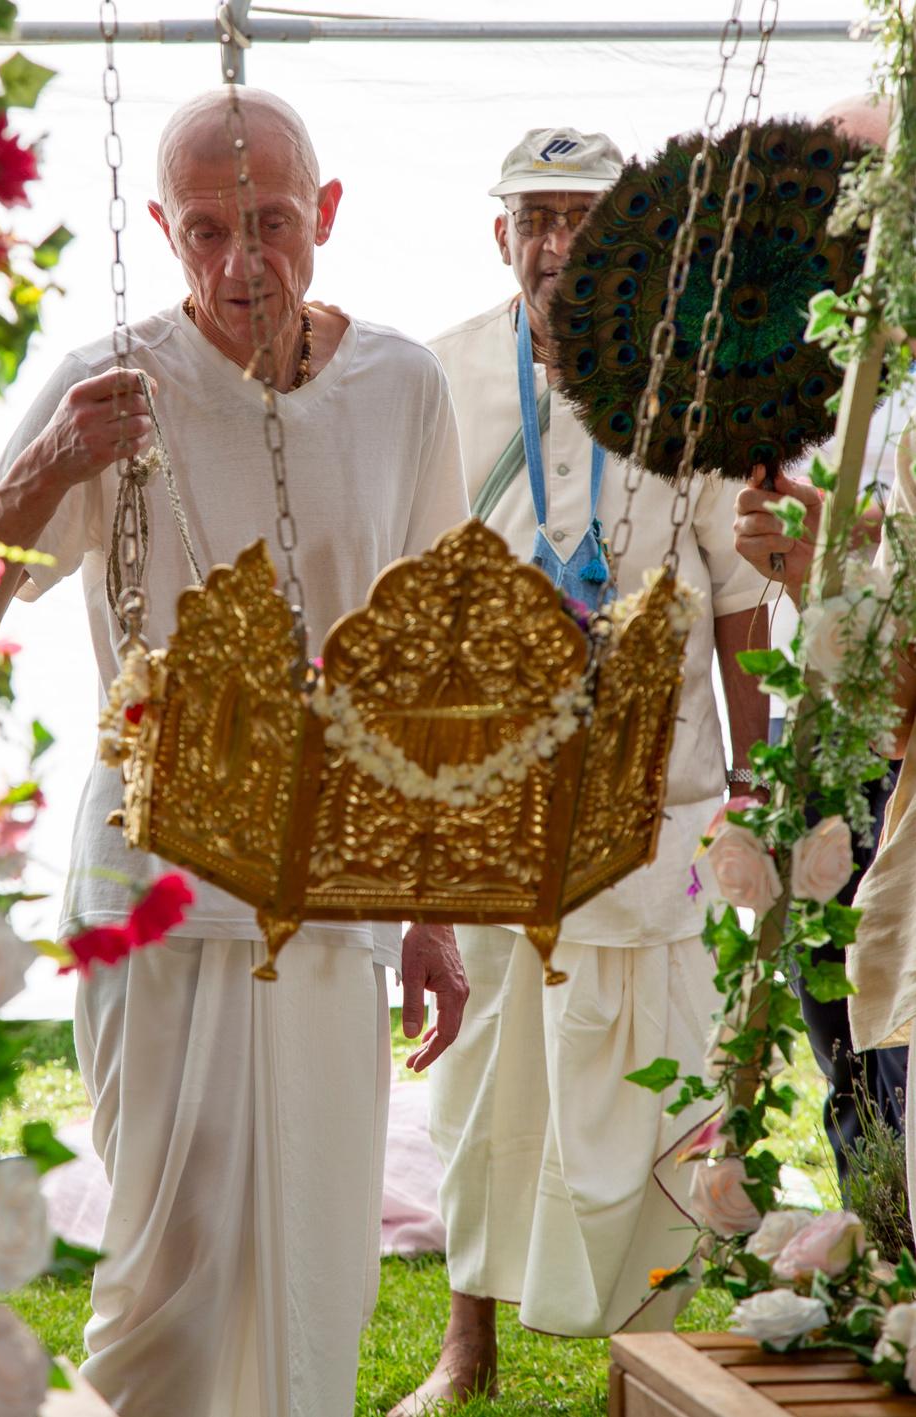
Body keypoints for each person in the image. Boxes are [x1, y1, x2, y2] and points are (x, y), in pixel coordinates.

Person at [0, 88, 470, 1417]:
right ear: (160, 227)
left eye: (270, 223)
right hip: (154, 878)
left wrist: (431, 912)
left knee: (317, 1241)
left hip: (334, 879)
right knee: (167, 1255)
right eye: (204, 230)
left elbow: (426, 665)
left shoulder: (402, 385)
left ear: (326, 212)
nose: (240, 262)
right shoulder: (107, 380)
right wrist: (53, 462)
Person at [392, 127, 769, 1414]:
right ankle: (468, 1345)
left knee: (651, 1085)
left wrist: (757, 789)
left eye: (587, 220)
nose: (560, 245)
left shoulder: (699, 380)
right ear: (498, 235)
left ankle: (641, 1364)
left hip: (658, 801)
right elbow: (412, 590)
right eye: (537, 219)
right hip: (488, 796)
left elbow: (740, 597)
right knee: (484, 1081)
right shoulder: (439, 374)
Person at [732, 94, 909, 1187]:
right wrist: (791, 555)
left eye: (869, 191)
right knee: (834, 1019)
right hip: (817, 721)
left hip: (904, 739)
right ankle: (878, 1242)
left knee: (902, 1022)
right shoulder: (789, 362)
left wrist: (856, 546)